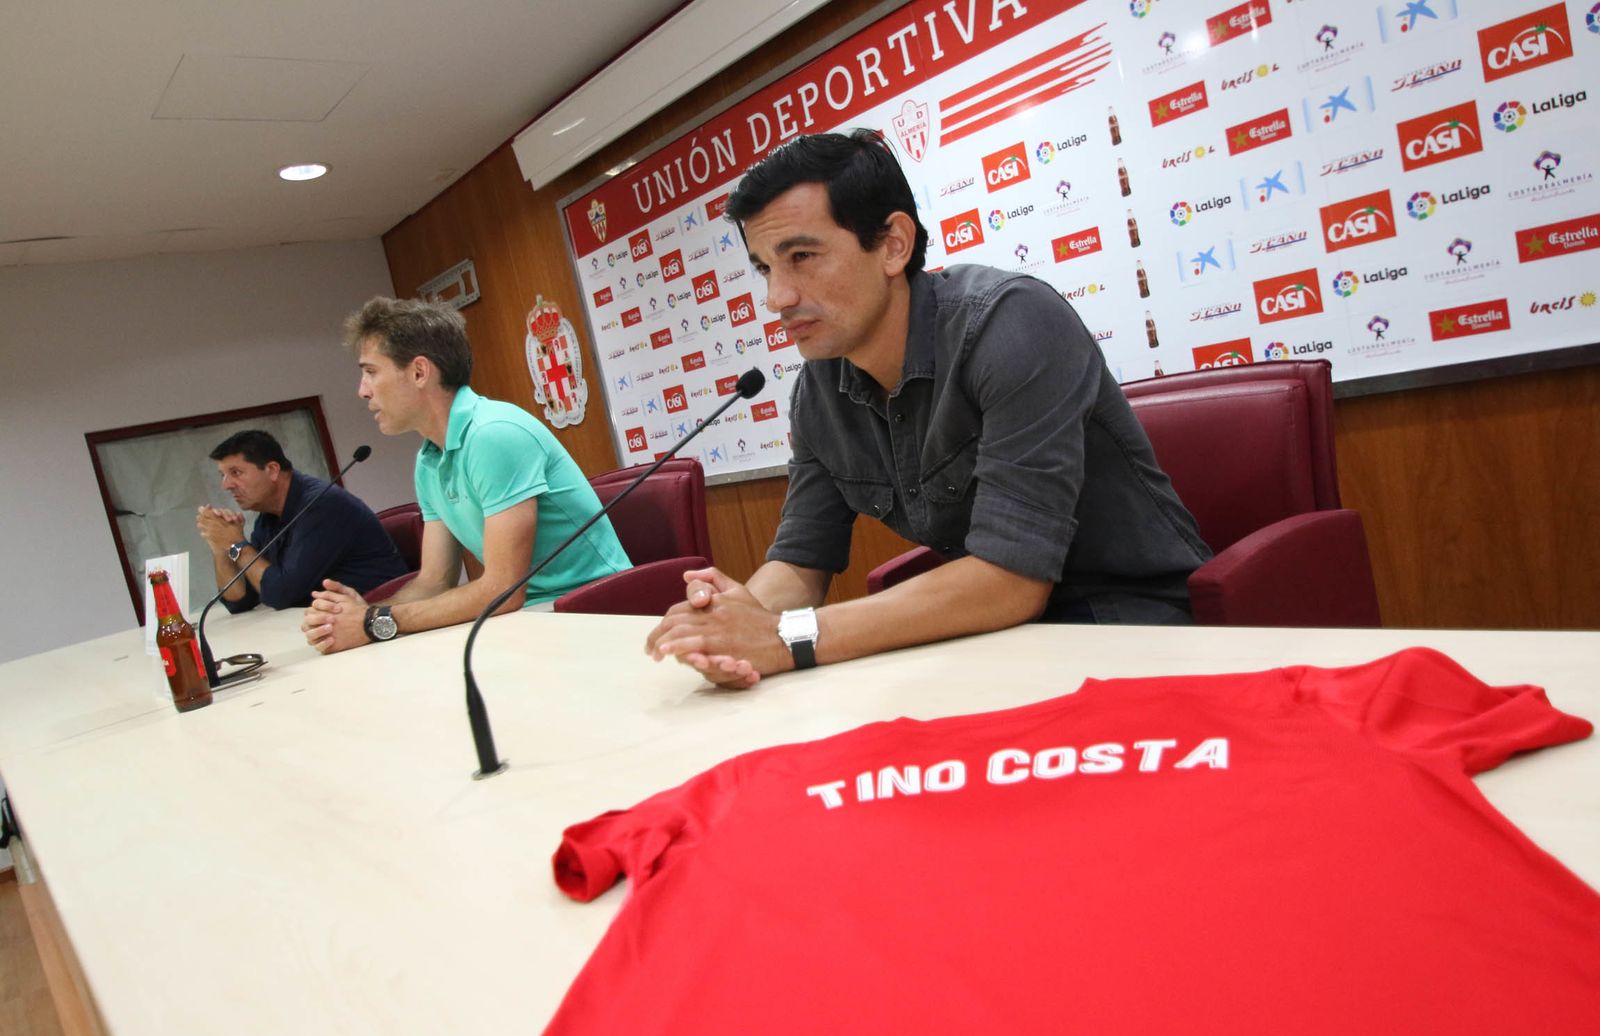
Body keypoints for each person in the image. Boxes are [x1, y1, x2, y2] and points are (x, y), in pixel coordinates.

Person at [646, 130, 1211, 688]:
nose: (778, 298)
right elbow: (801, 560)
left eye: (802, 256)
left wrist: (782, 636)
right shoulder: (818, 388)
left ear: (893, 243)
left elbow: (1010, 580)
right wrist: (732, 622)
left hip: (1130, 624)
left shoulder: (1011, 322)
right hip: (994, 637)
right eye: (766, 267)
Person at [302, 297, 630, 653]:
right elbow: (434, 580)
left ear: (419, 372)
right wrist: (366, 615)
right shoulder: (428, 460)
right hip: (531, 618)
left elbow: (503, 589)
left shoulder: (493, 434)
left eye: (371, 371)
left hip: (594, 613)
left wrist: (373, 623)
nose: (362, 390)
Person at [198, 430, 407, 613]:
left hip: (379, 616)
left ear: (272, 470)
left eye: (236, 473)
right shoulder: (268, 516)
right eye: (223, 475)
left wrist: (238, 545)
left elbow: (280, 594)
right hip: (332, 619)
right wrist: (221, 547)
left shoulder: (321, 504)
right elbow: (242, 600)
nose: (226, 485)